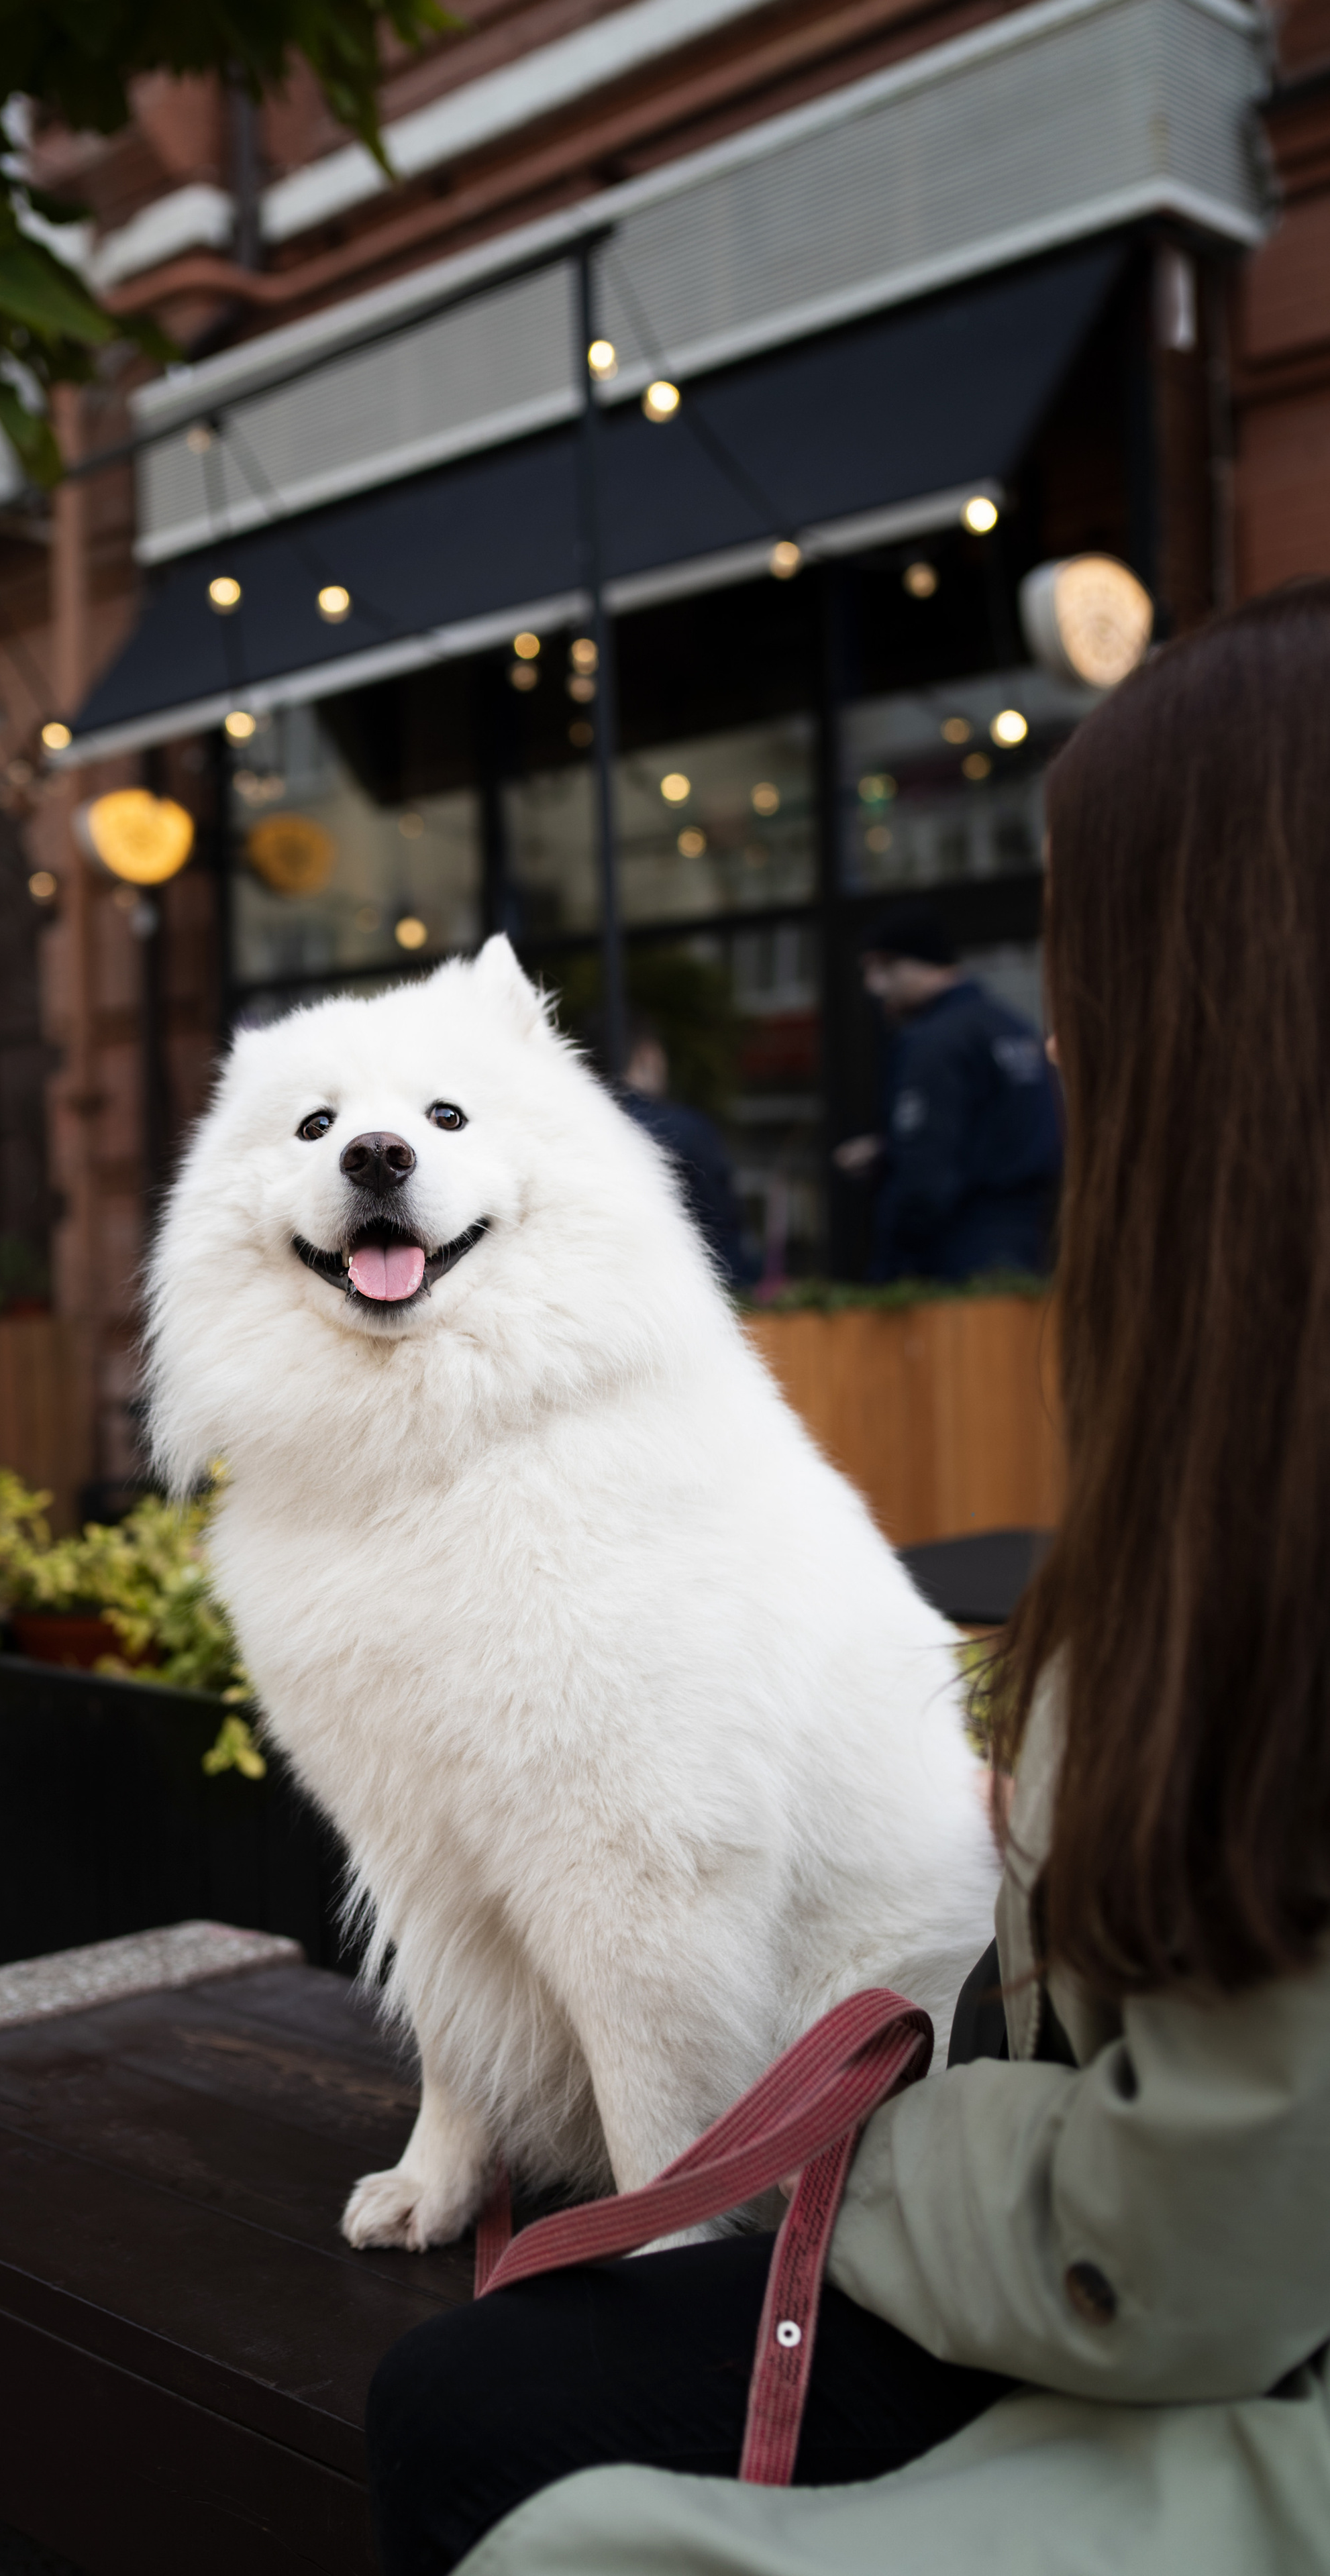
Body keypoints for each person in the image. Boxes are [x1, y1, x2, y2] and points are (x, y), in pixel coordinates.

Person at [364, 583, 1330, 2576]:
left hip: (1188, 2308)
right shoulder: (1235, 1431)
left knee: (514, 2471)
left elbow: (1179, 2229)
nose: (1053, 1033)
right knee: (473, 2392)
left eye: (1082, 955)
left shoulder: (1257, 1489)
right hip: (1151, 2242)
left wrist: (856, 2135)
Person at [834, 904, 1061, 1281]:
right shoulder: (1011, 1025)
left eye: (882, 968)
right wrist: (888, 1152)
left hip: (964, 1252)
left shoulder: (936, 1040)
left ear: (915, 962)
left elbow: (925, 1170)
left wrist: (894, 1264)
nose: (874, 986)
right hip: (1031, 1242)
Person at [612, 1013, 747, 1284]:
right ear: (647, 1054)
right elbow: (723, 1228)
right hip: (689, 1286)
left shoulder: (586, 1131)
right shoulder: (687, 1129)